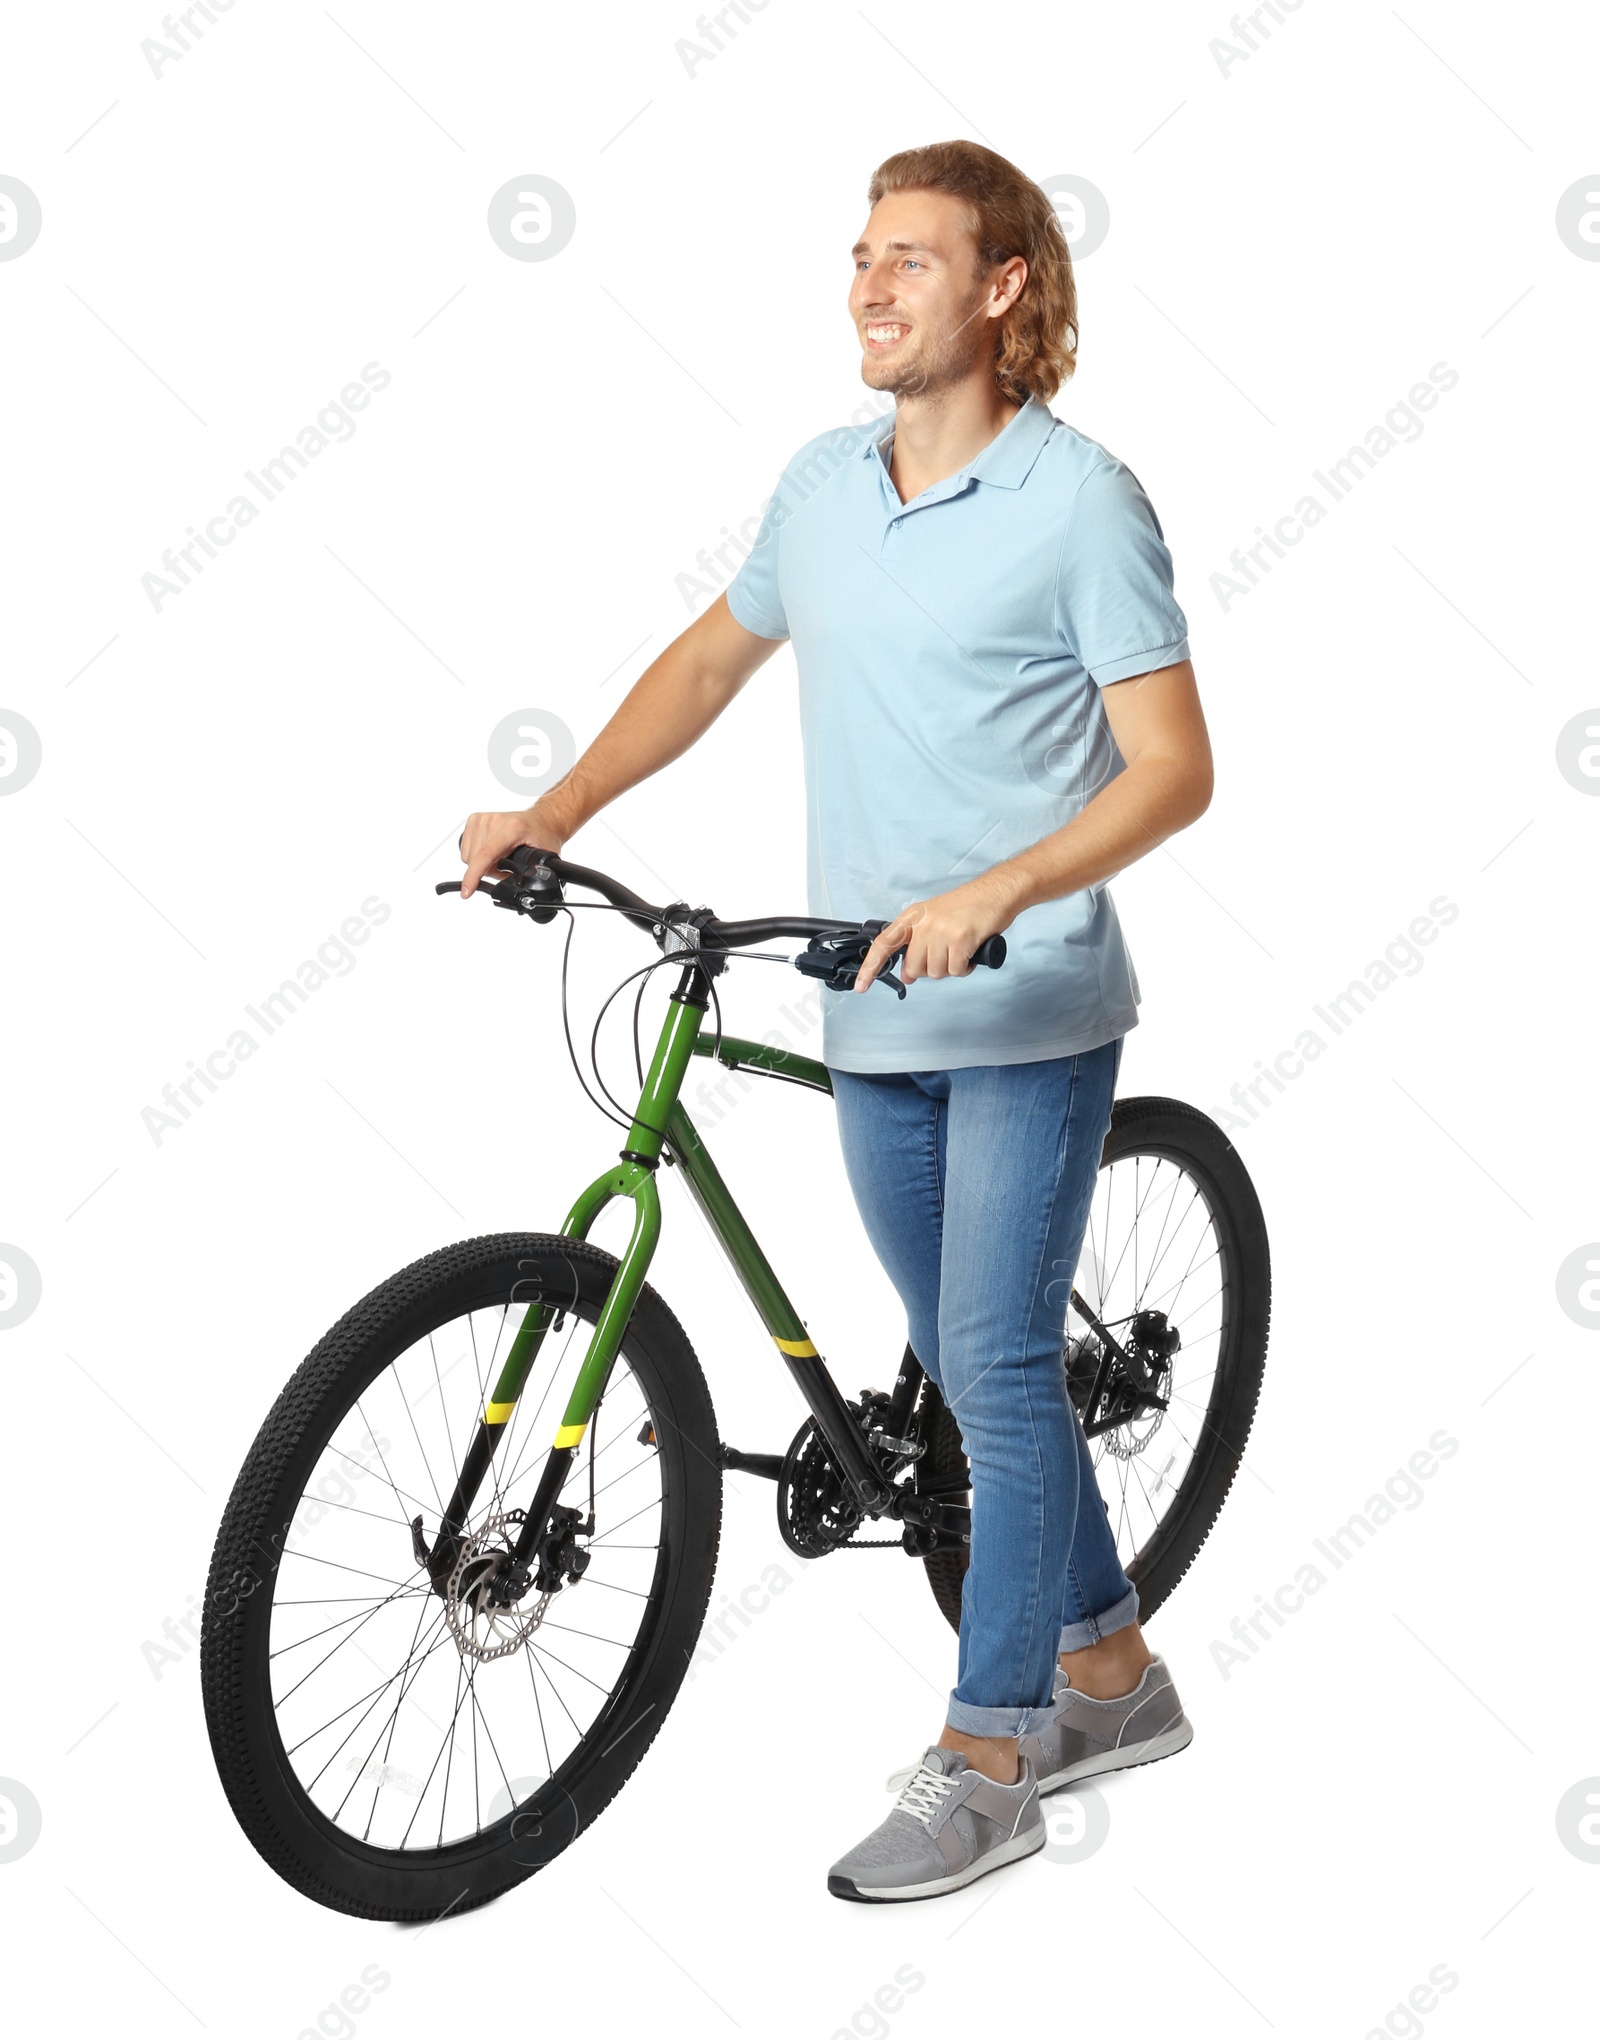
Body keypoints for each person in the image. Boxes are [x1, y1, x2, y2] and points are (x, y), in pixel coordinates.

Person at [459, 138, 1214, 1903]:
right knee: (967, 1359)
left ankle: (991, 1758)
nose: (868, 288)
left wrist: (997, 892)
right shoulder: (821, 486)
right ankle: (1115, 1672)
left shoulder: (1082, 502)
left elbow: (1176, 772)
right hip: (870, 1006)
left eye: (912, 260)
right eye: (858, 257)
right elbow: (712, 664)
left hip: (1024, 1006)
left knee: (1002, 1373)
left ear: (1006, 287)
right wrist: (555, 814)